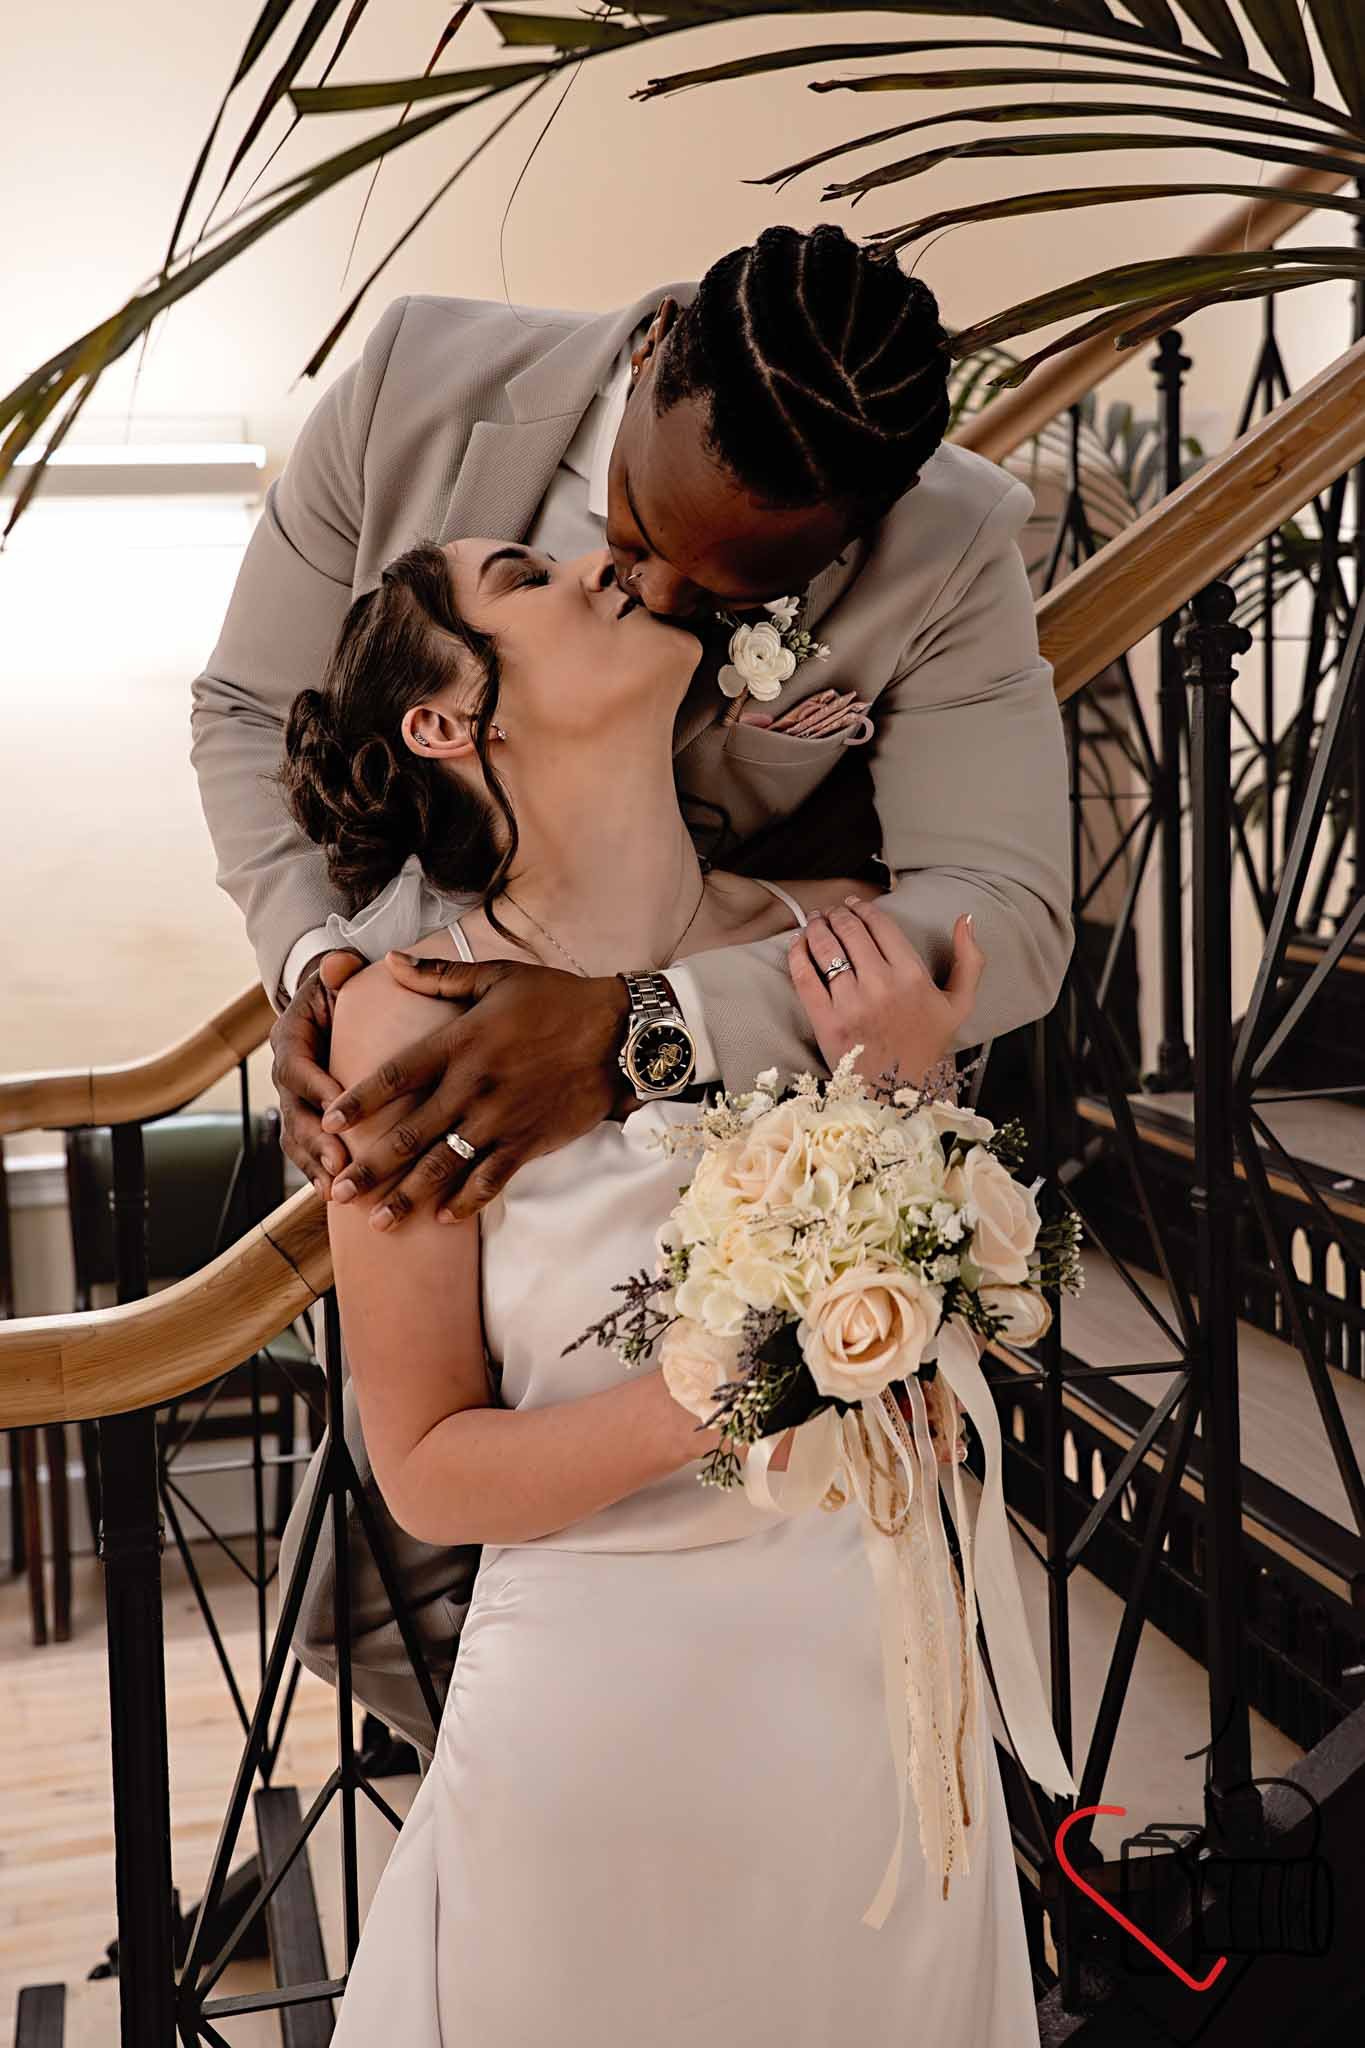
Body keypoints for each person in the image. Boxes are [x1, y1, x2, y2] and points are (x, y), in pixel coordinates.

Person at [193, 222, 1070, 1750]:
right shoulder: (411, 381)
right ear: (653, 349)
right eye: (626, 532)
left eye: (722, 597)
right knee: (367, 1597)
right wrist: (326, 969)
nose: (646, 587)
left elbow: (1002, 910)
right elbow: (244, 709)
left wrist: (643, 1029)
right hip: (442, 1063)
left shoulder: (950, 543)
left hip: (732, 1095)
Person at [283, 532, 1052, 2044]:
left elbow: (933, 1370)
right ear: (447, 724)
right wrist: (712, 1391)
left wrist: (904, 1103)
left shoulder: (832, 943)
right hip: (603, 1719)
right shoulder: (398, 1024)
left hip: (870, 1693)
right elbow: (429, 1472)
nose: (593, 565)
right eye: (522, 574)